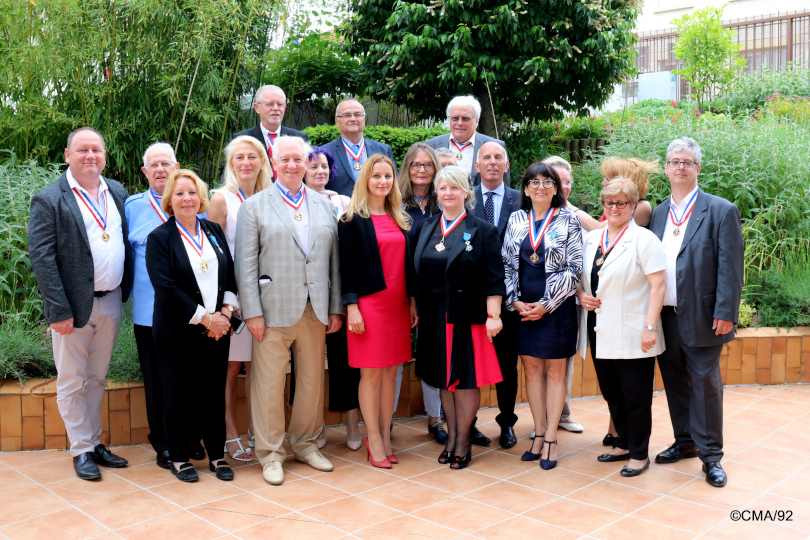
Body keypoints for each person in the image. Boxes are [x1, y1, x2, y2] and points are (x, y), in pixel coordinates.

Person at [235, 136, 343, 486]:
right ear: (274, 162)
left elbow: (333, 263)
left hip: (316, 309)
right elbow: (245, 265)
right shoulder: (254, 206)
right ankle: (269, 453)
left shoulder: (324, 205)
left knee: (311, 382)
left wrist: (336, 307)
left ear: (308, 162)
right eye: (287, 160)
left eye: (300, 159)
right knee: (268, 385)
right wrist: (251, 312)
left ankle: (306, 444)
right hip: (271, 310)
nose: (294, 166)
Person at [28, 127, 133, 481]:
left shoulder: (117, 191)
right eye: (82, 150)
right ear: (67, 155)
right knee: (72, 381)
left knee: (97, 378)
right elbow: (42, 258)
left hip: (111, 301)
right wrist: (58, 311)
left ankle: (93, 441)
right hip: (73, 308)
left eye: (96, 150)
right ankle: (81, 450)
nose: (91, 156)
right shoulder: (49, 199)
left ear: (105, 155)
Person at [650, 137, 743, 488]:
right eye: (674, 161)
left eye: (687, 162)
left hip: (704, 316)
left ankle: (712, 458)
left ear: (697, 168)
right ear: (666, 168)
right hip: (667, 314)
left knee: (704, 385)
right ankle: (685, 441)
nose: (680, 167)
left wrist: (726, 311)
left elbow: (731, 267)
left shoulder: (721, 210)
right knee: (674, 380)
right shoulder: (659, 212)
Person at [145, 169, 237, 482]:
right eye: (180, 193)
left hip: (216, 331)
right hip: (177, 332)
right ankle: (179, 458)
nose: (187, 199)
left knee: (213, 394)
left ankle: (217, 455)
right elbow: (166, 288)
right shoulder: (160, 238)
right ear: (169, 199)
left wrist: (225, 313)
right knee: (176, 394)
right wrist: (206, 318)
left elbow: (230, 274)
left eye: (192, 192)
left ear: (201, 198)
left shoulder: (213, 229)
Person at [413, 166, 505, 470]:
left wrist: (494, 316)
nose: (448, 193)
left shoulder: (482, 230)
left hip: (466, 315)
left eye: (454, 188)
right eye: (443, 188)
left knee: (464, 380)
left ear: (466, 192)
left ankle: (463, 441)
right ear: (436, 193)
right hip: (434, 316)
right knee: (443, 378)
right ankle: (451, 438)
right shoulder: (426, 227)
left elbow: (494, 279)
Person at [577, 178, 666, 477]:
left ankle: (639, 454)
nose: (614, 208)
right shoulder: (593, 239)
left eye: (621, 203)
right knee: (612, 393)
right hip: (600, 329)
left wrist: (650, 327)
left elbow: (658, 285)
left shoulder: (644, 240)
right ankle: (624, 442)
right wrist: (581, 295)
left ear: (633, 205)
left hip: (633, 331)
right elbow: (583, 278)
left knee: (635, 396)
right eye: (608, 202)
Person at [338, 154, 418, 468]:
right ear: (365, 181)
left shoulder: (400, 217)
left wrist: (413, 301)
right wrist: (352, 308)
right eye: (376, 176)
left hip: (397, 307)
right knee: (371, 375)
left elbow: (407, 267)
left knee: (390, 374)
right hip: (369, 308)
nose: (382, 182)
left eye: (387, 176)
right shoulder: (351, 220)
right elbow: (347, 269)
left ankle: (385, 435)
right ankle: (373, 439)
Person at [502, 162, 583, 470]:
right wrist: (514, 301)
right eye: (533, 182)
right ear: (525, 188)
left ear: (556, 188)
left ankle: (550, 437)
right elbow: (507, 263)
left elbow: (574, 270)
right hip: (523, 308)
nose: (540, 187)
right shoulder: (515, 219)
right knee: (532, 371)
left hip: (556, 308)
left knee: (555, 373)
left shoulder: (569, 219)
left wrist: (547, 304)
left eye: (546, 181)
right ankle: (537, 432)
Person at [207, 135, 273, 462]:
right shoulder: (221, 199)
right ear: (231, 164)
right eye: (239, 157)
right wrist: (222, 302)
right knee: (231, 368)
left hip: (267, 297)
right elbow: (212, 253)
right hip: (232, 299)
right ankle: (229, 431)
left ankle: (257, 431)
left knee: (259, 367)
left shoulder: (272, 198)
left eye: (252, 156)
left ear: (262, 162)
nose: (245, 163)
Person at [125, 142, 180, 470]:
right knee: (157, 380)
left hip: (189, 311)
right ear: (145, 172)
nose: (161, 170)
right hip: (149, 314)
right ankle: (162, 442)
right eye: (154, 165)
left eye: (166, 163)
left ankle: (186, 438)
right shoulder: (132, 208)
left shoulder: (193, 202)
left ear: (177, 167)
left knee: (186, 377)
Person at [302, 146, 360, 450]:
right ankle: (315, 427)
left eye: (324, 166)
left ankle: (352, 424)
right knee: (309, 365)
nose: (320, 172)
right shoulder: (294, 204)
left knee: (344, 362)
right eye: (313, 167)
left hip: (339, 292)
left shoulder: (344, 202)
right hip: (306, 297)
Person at [471, 142, 522, 448]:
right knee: (471, 363)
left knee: (507, 364)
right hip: (472, 297)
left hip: (510, 297)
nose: (492, 162)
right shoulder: (465, 200)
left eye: (498, 158)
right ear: (476, 166)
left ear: (506, 165)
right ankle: (470, 423)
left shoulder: (522, 199)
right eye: (486, 158)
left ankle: (507, 423)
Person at [395, 143, 446, 444]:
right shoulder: (395, 203)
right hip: (400, 293)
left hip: (436, 294)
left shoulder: (445, 203)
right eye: (416, 165)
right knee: (398, 357)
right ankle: (385, 420)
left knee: (432, 355)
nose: (422, 170)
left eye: (428, 165)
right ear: (407, 169)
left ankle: (435, 418)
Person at [540, 156, 585, 434]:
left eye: (567, 181)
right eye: (558, 180)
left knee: (563, 361)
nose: (563, 186)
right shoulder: (531, 212)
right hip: (534, 300)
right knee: (539, 364)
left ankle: (562, 413)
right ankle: (543, 420)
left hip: (568, 297)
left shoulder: (575, 214)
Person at [425, 95, 510, 187]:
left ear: (476, 121)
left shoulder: (496, 146)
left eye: (465, 118)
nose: (460, 123)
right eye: (455, 118)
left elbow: (504, 187)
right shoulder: (432, 145)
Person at [233, 85, 309, 180]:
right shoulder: (242, 139)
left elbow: (306, 174)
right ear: (257, 108)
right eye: (270, 104)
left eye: (280, 104)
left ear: (285, 108)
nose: (276, 108)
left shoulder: (298, 138)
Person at [322, 98, 396, 197]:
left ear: (364, 120)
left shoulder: (383, 150)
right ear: (337, 121)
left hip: (377, 210)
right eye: (347, 115)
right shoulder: (325, 152)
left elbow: (395, 184)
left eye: (357, 115)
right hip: (341, 211)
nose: (353, 119)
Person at [573, 157, 659, 233]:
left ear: (622, 181)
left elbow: (599, 229)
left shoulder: (642, 206)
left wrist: (569, 207)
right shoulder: (615, 204)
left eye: (607, 179)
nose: (603, 183)